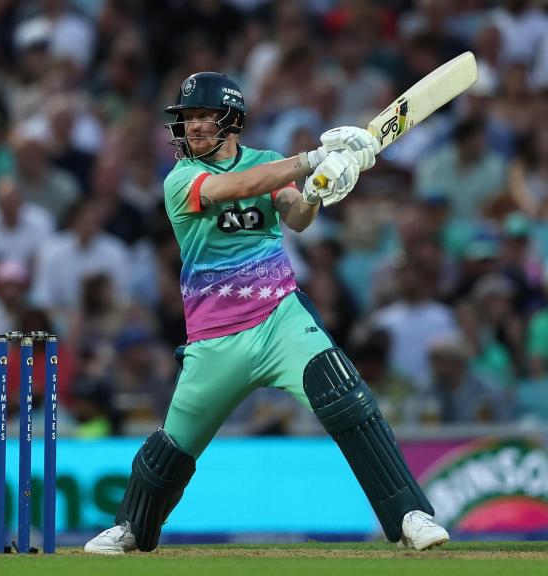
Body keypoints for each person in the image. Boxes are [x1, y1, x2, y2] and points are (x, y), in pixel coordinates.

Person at [84, 72, 449, 554]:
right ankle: (131, 526)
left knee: (346, 397)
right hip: (214, 339)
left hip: (280, 318)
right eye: (187, 118)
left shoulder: (270, 163)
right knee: (174, 443)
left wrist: (321, 188)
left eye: (203, 116)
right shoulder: (182, 179)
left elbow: (297, 216)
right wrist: (312, 158)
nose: (192, 127)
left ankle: (409, 515)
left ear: (231, 120)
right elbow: (233, 188)